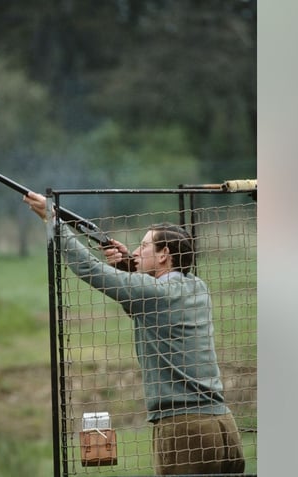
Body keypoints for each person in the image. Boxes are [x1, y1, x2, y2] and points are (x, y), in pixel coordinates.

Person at [23, 191, 245, 475]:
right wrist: (129, 265)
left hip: (184, 429)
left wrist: (53, 221)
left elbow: (89, 269)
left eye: (143, 247)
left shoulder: (155, 294)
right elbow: (150, 304)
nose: (136, 252)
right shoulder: (197, 287)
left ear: (164, 255)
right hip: (223, 425)